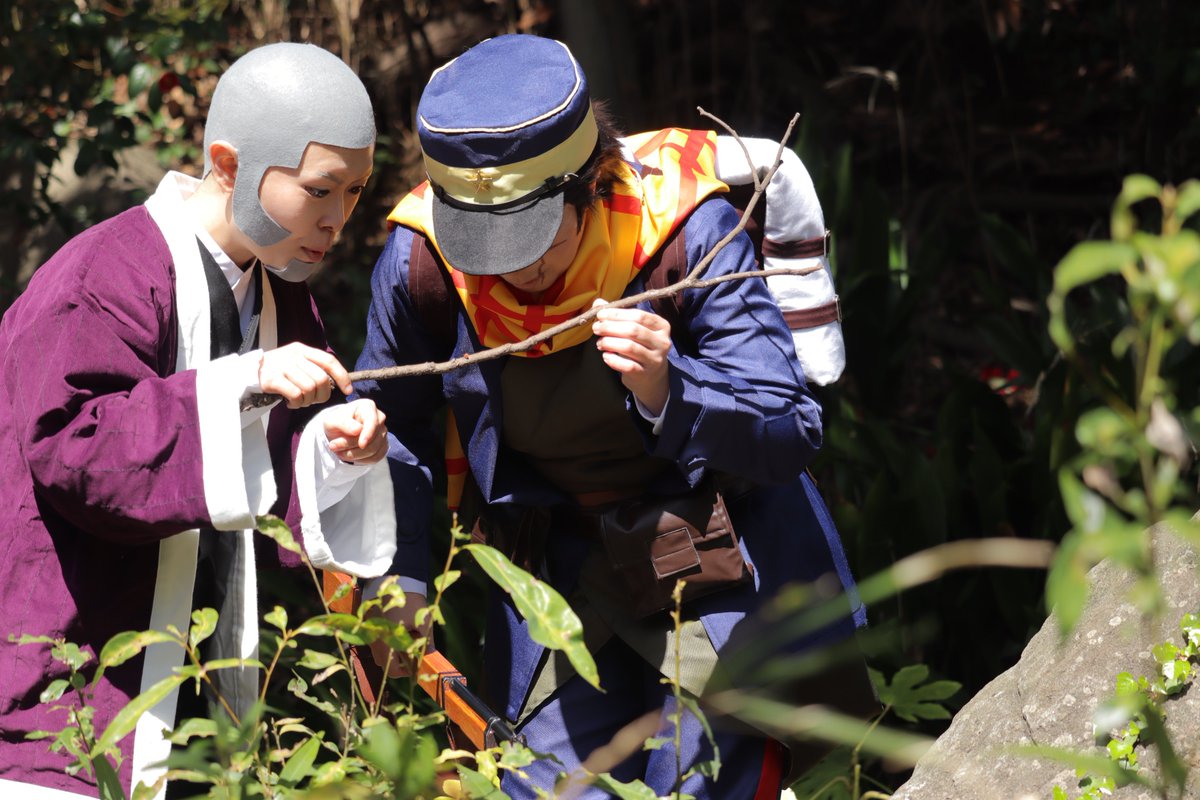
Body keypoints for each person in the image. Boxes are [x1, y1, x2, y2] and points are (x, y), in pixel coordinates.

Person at [356, 34, 871, 798]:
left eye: (531, 238)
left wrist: (672, 388)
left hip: (715, 560)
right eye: (484, 244)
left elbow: (789, 426)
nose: (510, 267)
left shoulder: (685, 232)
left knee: (704, 779)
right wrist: (396, 575)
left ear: (591, 183)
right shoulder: (423, 261)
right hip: (554, 572)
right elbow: (390, 426)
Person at [0, 42, 400, 799]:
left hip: (207, 689)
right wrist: (241, 382)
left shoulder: (280, 294)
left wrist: (333, 449)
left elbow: (262, 478)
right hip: (72, 679)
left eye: (355, 191)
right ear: (227, 164)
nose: (339, 219)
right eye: (320, 189)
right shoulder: (104, 275)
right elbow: (75, 450)